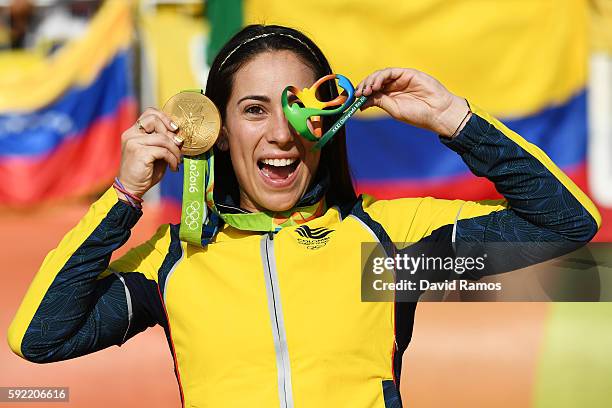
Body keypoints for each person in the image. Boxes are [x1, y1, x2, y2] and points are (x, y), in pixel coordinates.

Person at [7, 24, 600, 408]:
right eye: (253, 109)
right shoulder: (176, 258)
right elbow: (40, 338)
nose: (280, 135)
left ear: (326, 120)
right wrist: (124, 198)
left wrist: (455, 121)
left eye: (297, 107)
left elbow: (565, 222)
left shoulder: (385, 246)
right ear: (216, 131)